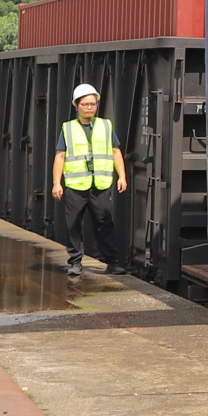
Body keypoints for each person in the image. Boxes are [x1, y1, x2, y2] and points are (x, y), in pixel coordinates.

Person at [48, 82, 127, 275]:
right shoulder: (68, 129)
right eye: (85, 104)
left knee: (105, 223)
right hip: (76, 186)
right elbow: (60, 156)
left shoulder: (105, 126)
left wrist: (122, 176)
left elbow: (116, 151)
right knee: (73, 225)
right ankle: (75, 262)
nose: (90, 107)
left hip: (100, 185)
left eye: (93, 104)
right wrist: (56, 183)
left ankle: (113, 263)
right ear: (76, 106)